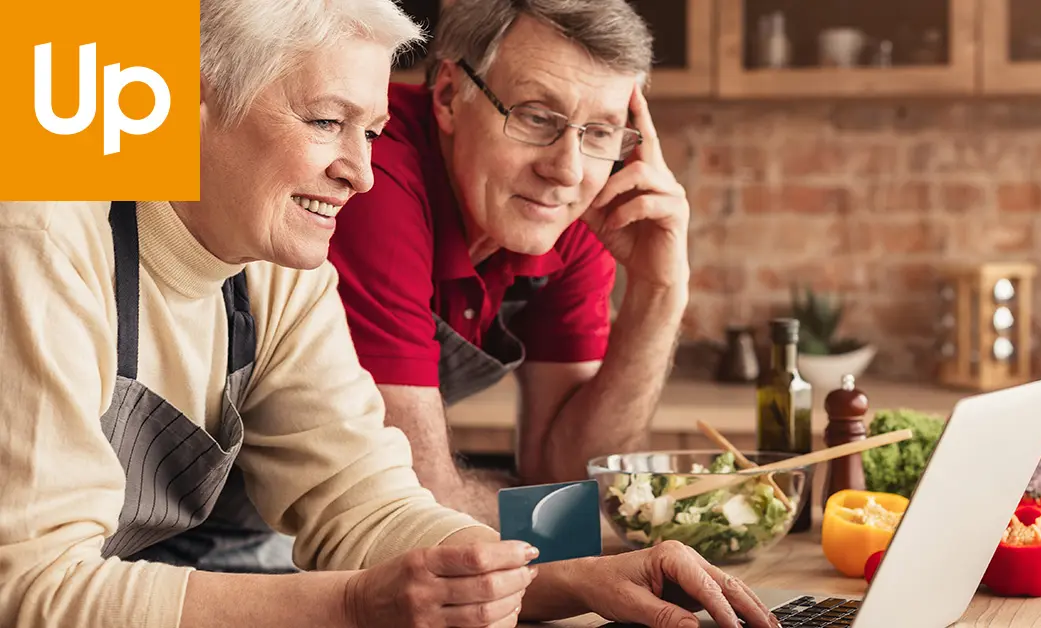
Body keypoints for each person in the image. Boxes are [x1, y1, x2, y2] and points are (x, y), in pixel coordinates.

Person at [0, 1, 777, 627]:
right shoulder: (44, 234)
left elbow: (370, 503)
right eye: (324, 121)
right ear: (189, 99)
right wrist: (352, 605)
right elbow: (27, 590)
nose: (360, 173)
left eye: (370, 131)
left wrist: (572, 579)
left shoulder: (281, 268)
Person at [328, 0, 690, 526]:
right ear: (449, 96)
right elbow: (417, 505)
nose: (567, 171)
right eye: (536, 117)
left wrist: (659, 292)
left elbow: (578, 476)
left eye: (599, 132)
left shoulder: (572, 213)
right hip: (240, 528)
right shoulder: (375, 177)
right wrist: (563, 517)